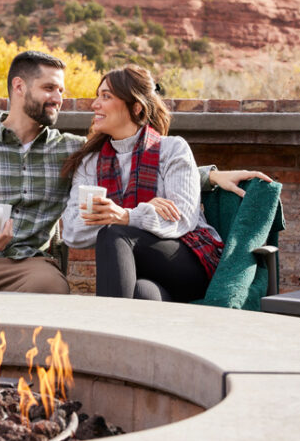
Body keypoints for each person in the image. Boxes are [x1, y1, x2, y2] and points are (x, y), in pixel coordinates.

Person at [0, 51, 269, 295]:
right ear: (19, 87)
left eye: (62, 90)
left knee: (55, 286)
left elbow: (157, 168)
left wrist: (208, 176)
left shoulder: (71, 149)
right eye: (50, 88)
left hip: (24, 265)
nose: (60, 99)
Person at [60, 64, 270, 302]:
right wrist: (141, 211)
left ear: (136, 107)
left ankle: (104, 333)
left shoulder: (172, 149)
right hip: (140, 272)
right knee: (142, 294)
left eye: (106, 96)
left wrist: (125, 216)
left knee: (114, 234)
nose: (95, 104)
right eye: (97, 96)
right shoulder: (90, 162)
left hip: (186, 259)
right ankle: (125, 335)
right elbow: (73, 232)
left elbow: (182, 218)